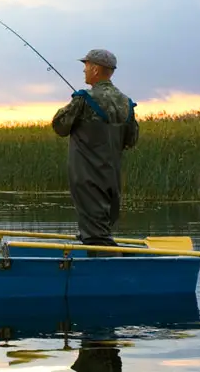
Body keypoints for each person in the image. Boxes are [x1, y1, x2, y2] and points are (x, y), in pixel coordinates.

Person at [51, 49, 139, 253]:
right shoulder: (127, 103)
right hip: (113, 179)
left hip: (87, 178)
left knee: (95, 235)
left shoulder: (83, 99)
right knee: (101, 228)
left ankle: (104, 272)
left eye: (86, 66)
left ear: (96, 69)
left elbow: (59, 126)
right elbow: (131, 139)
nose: (84, 70)